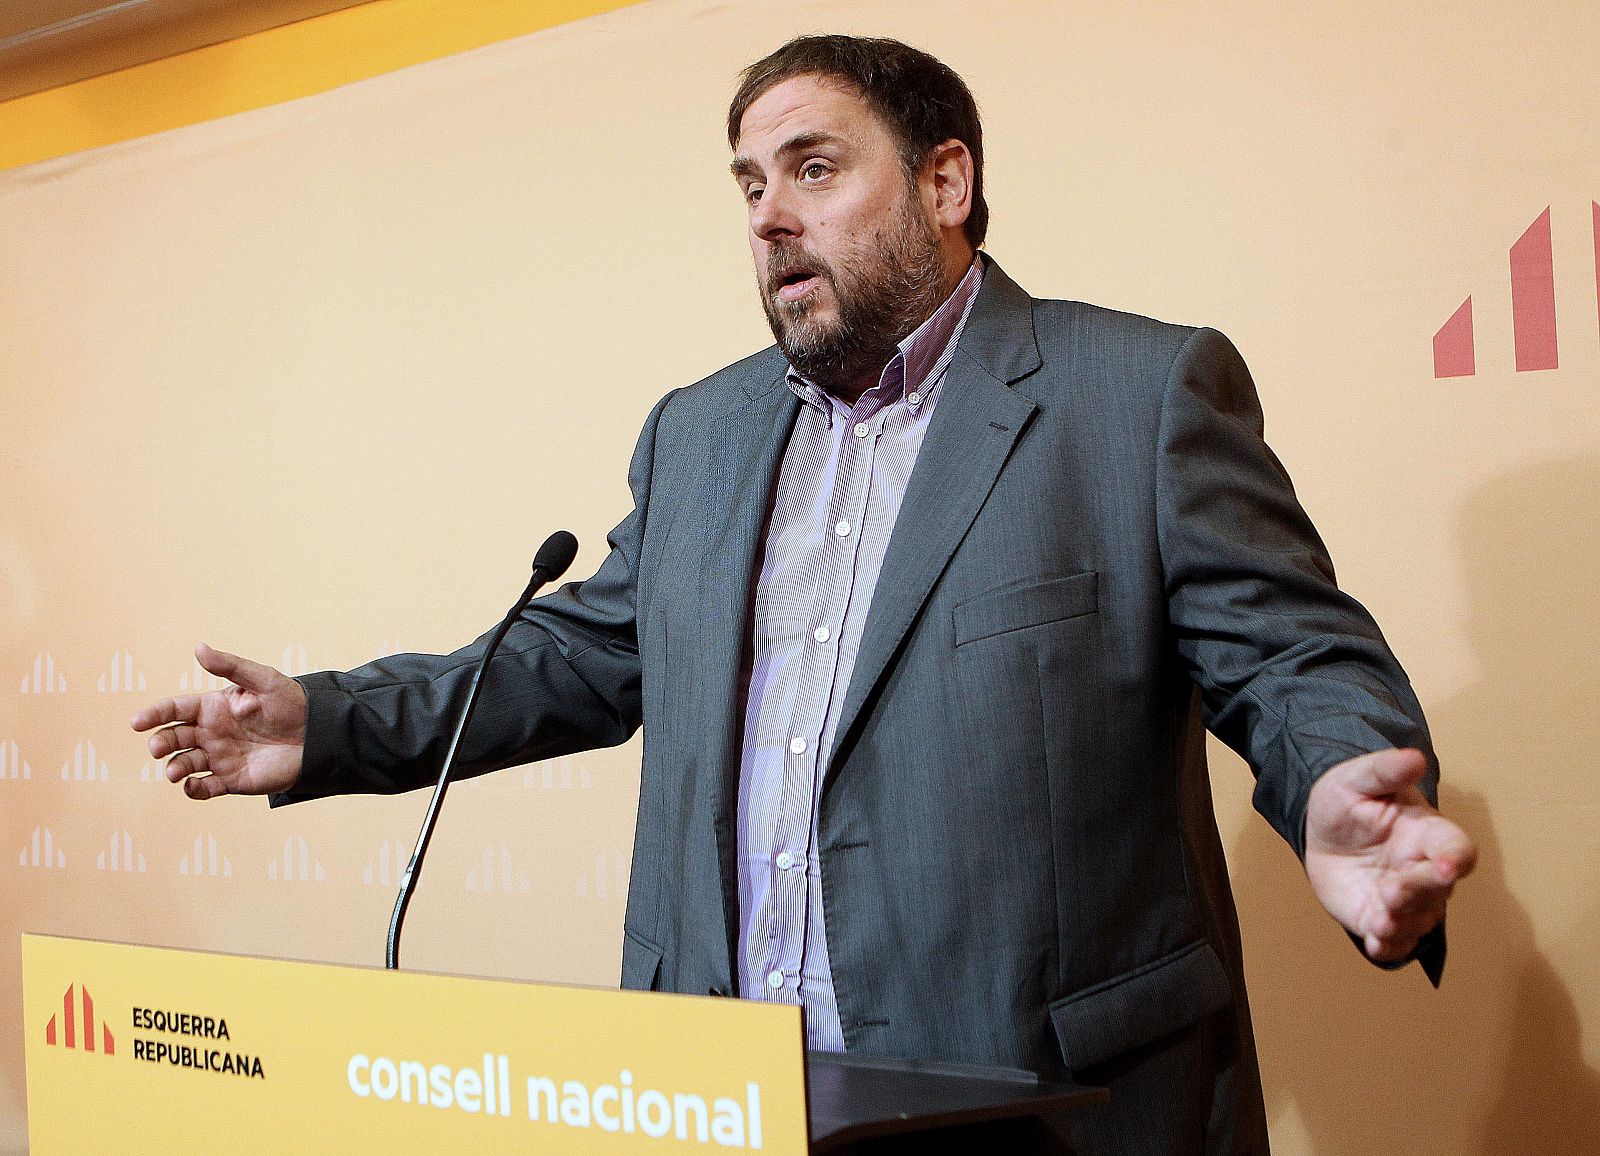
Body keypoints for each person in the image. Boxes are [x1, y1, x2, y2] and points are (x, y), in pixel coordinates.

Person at [133, 35, 1475, 1154]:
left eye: (814, 167)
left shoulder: (1133, 397)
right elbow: (585, 653)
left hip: (1039, 1105)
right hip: (726, 1100)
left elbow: (1289, 656)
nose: (769, 213)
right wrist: (325, 724)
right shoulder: (700, 434)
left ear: (945, 181)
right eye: (750, 185)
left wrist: (1341, 783)